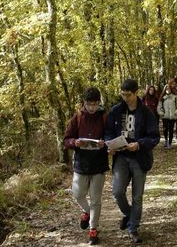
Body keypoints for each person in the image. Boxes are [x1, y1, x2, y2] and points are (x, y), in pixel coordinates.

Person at [105, 79, 160, 244]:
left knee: (137, 196)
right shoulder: (116, 111)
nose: (125, 98)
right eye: (122, 94)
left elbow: (154, 137)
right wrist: (110, 144)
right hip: (121, 156)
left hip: (139, 158)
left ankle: (133, 228)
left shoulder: (147, 112)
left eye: (128, 95)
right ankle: (129, 214)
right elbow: (108, 132)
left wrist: (139, 144)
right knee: (117, 192)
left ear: (136, 93)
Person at [63, 87, 109, 245]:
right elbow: (66, 139)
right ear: (84, 103)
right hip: (81, 164)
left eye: (95, 104)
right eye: (89, 104)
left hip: (99, 164)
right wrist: (74, 142)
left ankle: (93, 229)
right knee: (78, 194)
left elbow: (110, 135)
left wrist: (105, 142)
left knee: (96, 199)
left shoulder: (104, 117)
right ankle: (87, 212)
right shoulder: (77, 118)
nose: (92, 107)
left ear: (99, 103)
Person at [157, 84, 177, 149]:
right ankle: (166, 140)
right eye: (166, 88)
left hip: (172, 117)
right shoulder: (162, 97)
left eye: (169, 88)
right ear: (165, 90)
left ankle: (170, 143)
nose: (168, 90)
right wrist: (161, 113)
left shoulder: (175, 97)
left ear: (171, 89)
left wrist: (176, 113)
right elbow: (159, 106)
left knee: (171, 130)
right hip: (165, 116)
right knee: (165, 129)